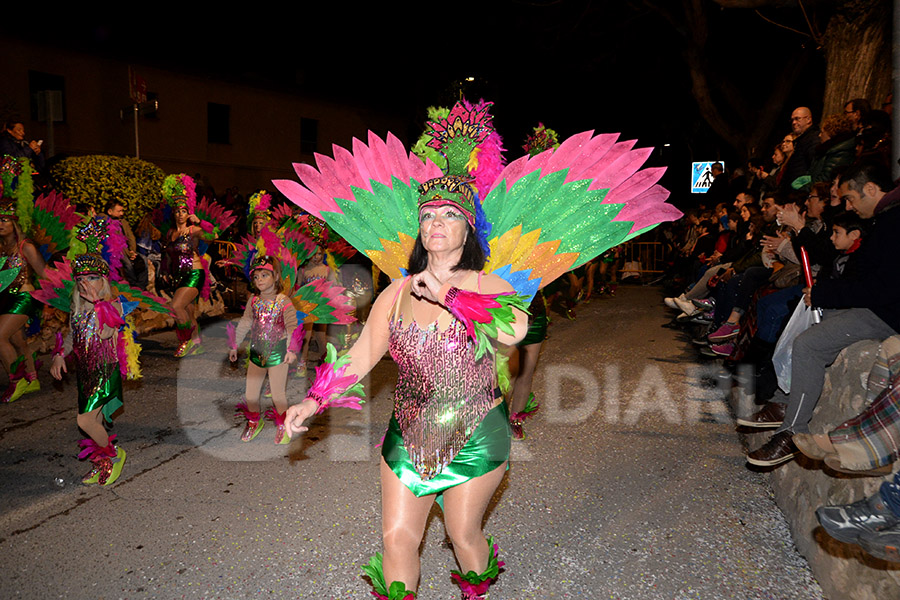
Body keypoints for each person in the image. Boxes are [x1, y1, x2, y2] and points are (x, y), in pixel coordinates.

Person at [276, 100, 680, 599]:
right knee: (397, 537)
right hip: (408, 431)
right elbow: (362, 355)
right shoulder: (395, 293)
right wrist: (312, 401)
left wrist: (446, 293)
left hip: (476, 433)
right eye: (427, 216)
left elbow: (512, 332)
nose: (435, 223)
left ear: (469, 228)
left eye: (449, 215)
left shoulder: (490, 284)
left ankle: (477, 585)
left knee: (462, 535)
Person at [740, 162, 900, 467]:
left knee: (809, 344)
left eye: (850, 198)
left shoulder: (891, 221)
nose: (848, 206)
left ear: (870, 188)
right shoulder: (886, 219)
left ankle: (791, 430)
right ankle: (781, 403)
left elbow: (883, 286)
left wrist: (827, 293)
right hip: (876, 305)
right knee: (802, 322)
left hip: (887, 314)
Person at [48, 218, 131, 486]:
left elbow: (107, 332)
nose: (87, 284)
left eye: (93, 278)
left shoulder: (112, 307)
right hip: (86, 374)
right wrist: (60, 354)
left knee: (84, 420)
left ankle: (114, 454)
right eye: (82, 279)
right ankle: (102, 459)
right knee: (92, 421)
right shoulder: (78, 310)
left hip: (104, 372)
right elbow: (74, 335)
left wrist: (97, 304)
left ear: (104, 281)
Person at [229, 256, 298, 444]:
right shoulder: (253, 301)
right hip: (256, 354)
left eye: (265, 275)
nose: (260, 280)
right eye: (256, 276)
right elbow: (245, 322)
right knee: (250, 394)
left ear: (275, 277)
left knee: (278, 394)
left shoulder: (284, 302)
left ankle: (284, 424)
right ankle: (253, 421)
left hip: (278, 354)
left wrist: (291, 349)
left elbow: (292, 326)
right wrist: (235, 344)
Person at [158, 173, 229, 357]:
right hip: (178, 275)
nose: (180, 215)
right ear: (173, 213)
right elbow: (167, 255)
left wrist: (201, 222)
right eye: (177, 211)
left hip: (194, 273)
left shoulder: (194, 230)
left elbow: (213, 235)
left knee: (176, 306)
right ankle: (197, 343)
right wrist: (165, 271)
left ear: (188, 213)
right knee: (189, 312)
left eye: (183, 211)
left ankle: (185, 341)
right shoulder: (171, 233)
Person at [0, 157, 44, 403]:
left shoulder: (25, 246)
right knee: (17, 339)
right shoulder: (0, 247)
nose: (0, 224)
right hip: (6, 298)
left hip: (25, 297)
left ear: (15, 222)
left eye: (5, 219)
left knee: (0, 337)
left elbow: (45, 273)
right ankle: (32, 377)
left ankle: (16, 382)